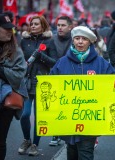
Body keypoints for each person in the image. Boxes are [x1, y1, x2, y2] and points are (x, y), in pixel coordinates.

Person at [50, 26, 115, 160]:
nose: (80, 42)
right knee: (71, 152)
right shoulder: (62, 63)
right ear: (73, 41)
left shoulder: (101, 63)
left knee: (85, 153)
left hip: (91, 119)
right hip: (67, 118)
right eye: (77, 38)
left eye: (84, 39)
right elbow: (51, 87)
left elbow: (112, 87)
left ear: (90, 42)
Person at [18, 15, 56, 156]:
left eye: (36, 24)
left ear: (43, 26)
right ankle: (26, 140)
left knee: (39, 117)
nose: (33, 26)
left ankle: (35, 144)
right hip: (26, 82)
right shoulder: (24, 41)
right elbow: (18, 59)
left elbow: (54, 62)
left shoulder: (49, 41)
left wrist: (41, 56)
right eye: (31, 24)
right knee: (25, 114)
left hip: (42, 82)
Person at [0, 13, 28, 160]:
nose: (10, 31)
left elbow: (19, 75)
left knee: (0, 141)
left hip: (5, 103)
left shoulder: (16, 50)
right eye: (6, 28)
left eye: (11, 29)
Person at [47, 16, 73, 146]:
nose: (60, 28)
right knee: (56, 107)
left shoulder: (75, 40)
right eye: (58, 25)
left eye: (63, 25)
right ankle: (56, 133)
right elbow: (53, 61)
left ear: (70, 27)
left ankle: (68, 133)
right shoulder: (52, 41)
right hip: (56, 77)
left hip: (71, 79)